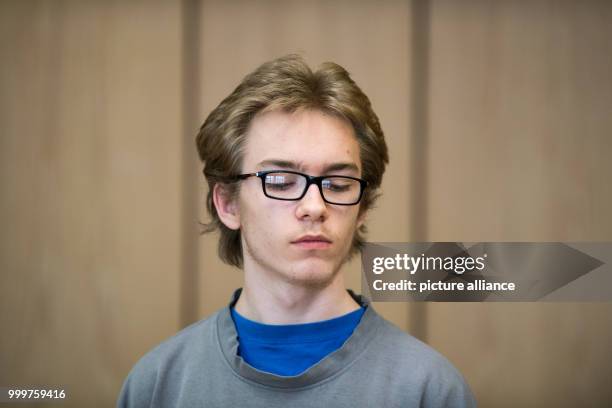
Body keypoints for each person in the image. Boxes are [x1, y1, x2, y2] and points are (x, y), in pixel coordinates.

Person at [117, 54, 476, 407]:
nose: (314, 207)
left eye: (338, 183)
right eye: (281, 180)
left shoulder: (429, 390)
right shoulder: (157, 385)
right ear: (228, 203)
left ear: (363, 207)